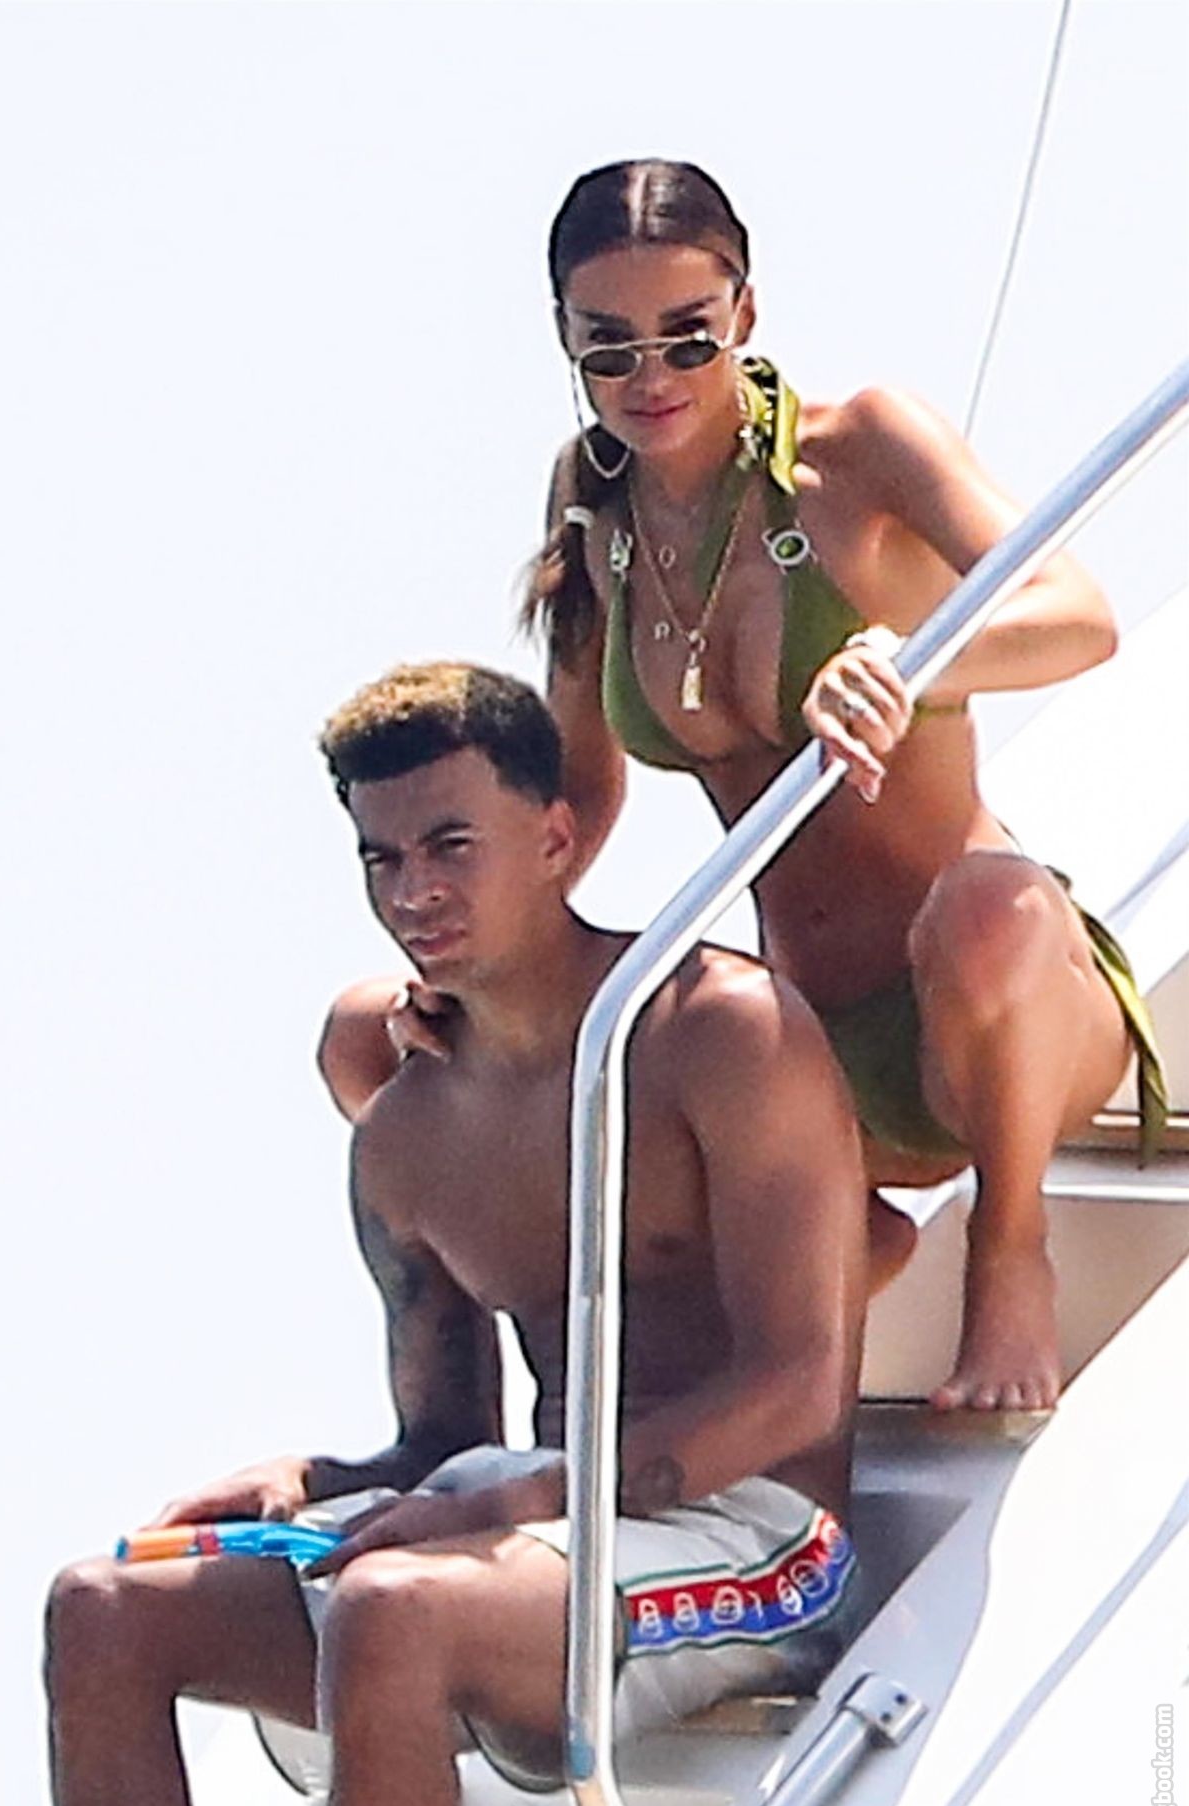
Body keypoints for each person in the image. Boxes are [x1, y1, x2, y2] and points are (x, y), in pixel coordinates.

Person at [323, 159, 1165, 1415]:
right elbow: (573, 796)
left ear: (745, 314)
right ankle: (512, 1398)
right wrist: (470, 971)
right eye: (609, 349)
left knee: (987, 908)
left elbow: (1079, 617)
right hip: (802, 1047)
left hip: (983, 1019)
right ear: (565, 342)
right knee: (366, 1035)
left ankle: (1008, 1251)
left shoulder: (859, 448)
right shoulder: (595, 514)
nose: (650, 378)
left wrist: (909, 662)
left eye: (686, 337)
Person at [44, 663, 869, 1806]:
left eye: (449, 846)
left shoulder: (718, 1029)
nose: (412, 892)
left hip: (757, 1537)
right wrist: (306, 1480)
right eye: (380, 860)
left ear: (554, 840)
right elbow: (439, 1443)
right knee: (102, 1609)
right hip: (532, 1524)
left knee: (391, 1610)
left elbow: (798, 1385)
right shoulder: (405, 1135)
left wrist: (535, 1496)